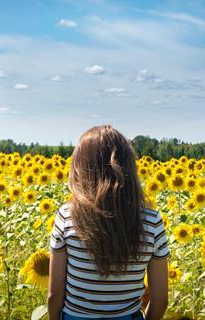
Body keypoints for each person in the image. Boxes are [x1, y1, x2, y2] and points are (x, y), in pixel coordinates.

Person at [47, 125, 170, 320]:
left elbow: (55, 294)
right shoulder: (152, 222)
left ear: (80, 167)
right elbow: (161, 299)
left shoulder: (66, 217)